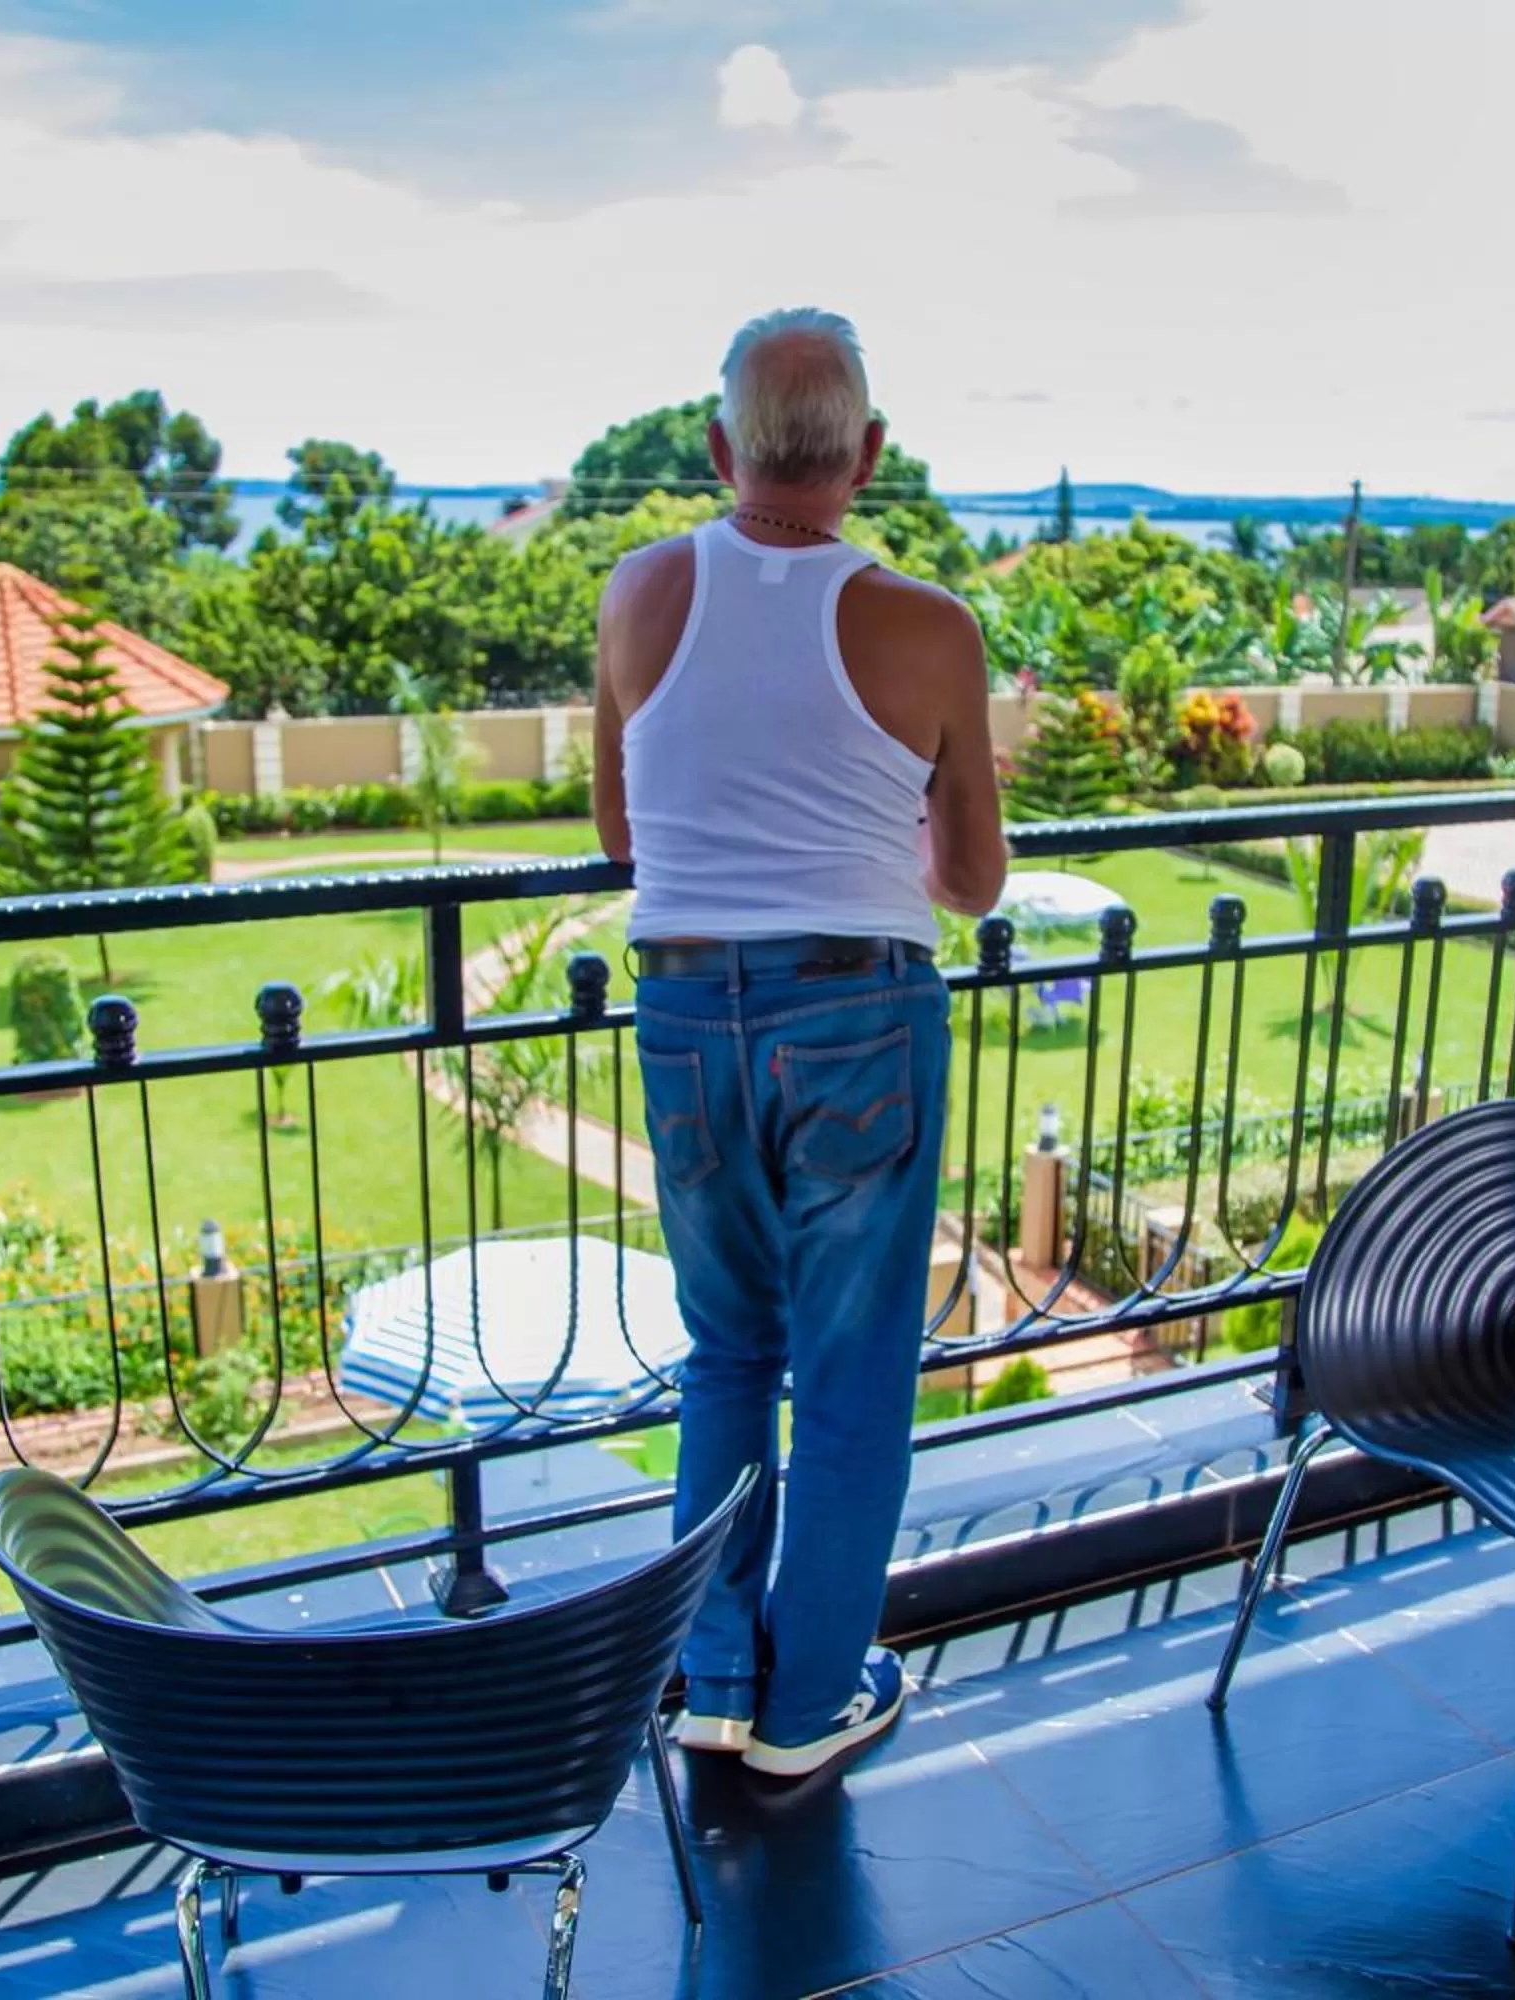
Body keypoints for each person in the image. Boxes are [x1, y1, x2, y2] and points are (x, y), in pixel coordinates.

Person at [593, 308, 1006, 1781]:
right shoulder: (929, 625)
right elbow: (969, 885)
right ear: (871, 457)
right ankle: (809, 1700)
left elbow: (623, 833)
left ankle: (710, 1675)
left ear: (719, 450)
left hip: (690, 1007)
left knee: (728, 1353)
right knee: (848, 1370)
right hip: (859, 1015)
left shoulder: (641, 594)